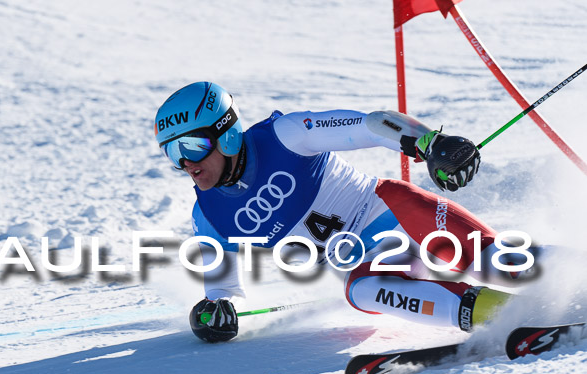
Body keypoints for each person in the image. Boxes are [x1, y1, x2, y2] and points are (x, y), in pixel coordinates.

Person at [154, 81, 529, 343]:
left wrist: (430, 143)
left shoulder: (286, 135)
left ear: (227, 133)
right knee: (362, 290)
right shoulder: (209, 216)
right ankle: (499, 313)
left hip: (395, 212)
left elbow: (371, 126)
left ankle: (564, 278)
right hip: (371, 262)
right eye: (173, 152)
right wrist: (216, 310)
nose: (186, 162)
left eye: (193, 146)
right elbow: (223, 289)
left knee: (489, 259)